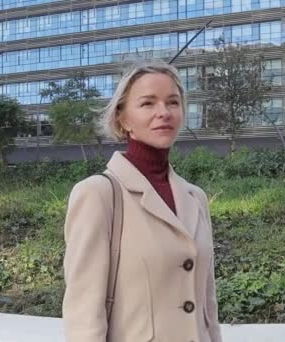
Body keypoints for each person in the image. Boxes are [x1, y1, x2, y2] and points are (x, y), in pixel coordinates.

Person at [62, 61, 223, 342]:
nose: (164, 112)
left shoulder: (195, 197)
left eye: (172, 102)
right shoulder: (99, 194)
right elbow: (83, 311)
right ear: (122, 118)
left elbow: (207, 306)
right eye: (148, 103)